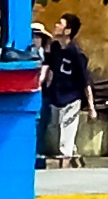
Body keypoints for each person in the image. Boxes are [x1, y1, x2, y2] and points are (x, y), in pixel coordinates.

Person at [38, 17, 92, 164]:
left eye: (60, 24)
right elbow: (48, 67)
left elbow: (85, 81)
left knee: (66, 134)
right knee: (55, 130)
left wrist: (91, 106)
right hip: (56, 95)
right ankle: (73, 157)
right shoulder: (54, 47)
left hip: (71, 97)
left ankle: (65, 165)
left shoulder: (76, 53)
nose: (56, 25)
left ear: (68, 31)